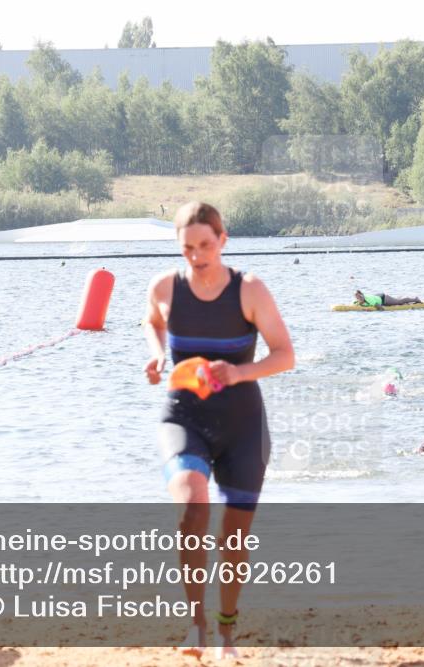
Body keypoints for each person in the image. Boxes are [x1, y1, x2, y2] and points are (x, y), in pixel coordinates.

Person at [143, 202, 294, 659]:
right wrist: (156, 354)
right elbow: (152, 320)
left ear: (223, 240)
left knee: (233, 537)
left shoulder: (249, 290)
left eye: (205, 245)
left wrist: (238, 373)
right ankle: (195, 625)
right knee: (191, 508)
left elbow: (284, 355)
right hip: (183, 416)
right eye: (187, 247)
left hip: (242, 425)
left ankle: (227, 630)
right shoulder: (166, 286)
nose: (197, 255)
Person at [353, 289, 422, 309]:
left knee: (399, 302)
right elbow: (355, 304)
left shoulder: (368, 300)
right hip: (377, 297)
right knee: (396, 301)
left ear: (362, 296)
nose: (358, 299)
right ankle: (398, 299)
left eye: (360, 298)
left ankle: (416, 299)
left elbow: (381, 309)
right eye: (357, 298)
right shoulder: (358, 300)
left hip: (384, 299)